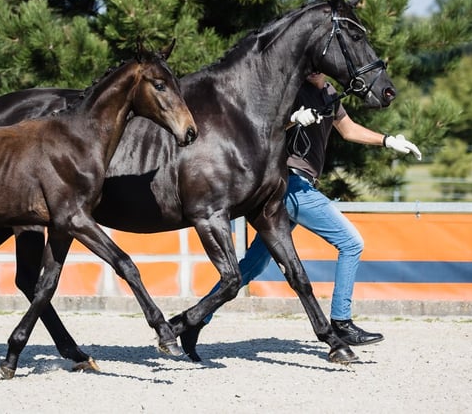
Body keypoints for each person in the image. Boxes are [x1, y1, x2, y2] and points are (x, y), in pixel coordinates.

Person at [178, 71, 422, 361]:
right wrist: (293, 119)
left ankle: (193, 321)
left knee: (252, 266)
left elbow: (349, 130)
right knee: (351, 243)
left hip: (300, 186)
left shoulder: (329, 93)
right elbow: (263, 127)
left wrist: (388, 140)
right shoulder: (291, 90)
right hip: (291, 184)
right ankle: (341, 322)